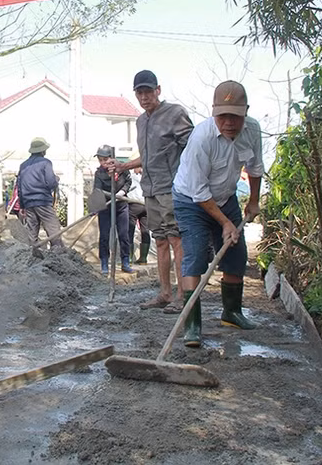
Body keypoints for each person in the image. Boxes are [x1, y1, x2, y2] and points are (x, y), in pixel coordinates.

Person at [172, 80, 263, 347]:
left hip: (226, 197)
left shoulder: (252, 130)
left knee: (237, 254)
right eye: (223, 116)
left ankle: (232, 312)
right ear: (214, 112)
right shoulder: (202, 138)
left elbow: (255, 167)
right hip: (191, 200)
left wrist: (254, 201)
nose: (229, 122)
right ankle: (192, 325)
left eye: (235, 116)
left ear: (245, 112)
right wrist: (225, 223)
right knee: (196, 254)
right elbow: (199, 192)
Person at [111, 70, 193, 310]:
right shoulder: (141, 121)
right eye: (140, 92)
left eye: (148, 91)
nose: (144, 97)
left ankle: (182, 295)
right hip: (151, 189)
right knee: (159, 241)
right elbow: (148, 157)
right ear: (135, 94)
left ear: (158, 89)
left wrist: (187, 182)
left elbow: (191, 149)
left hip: (173, 188)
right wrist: (124, 165)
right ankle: (165, 293)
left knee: (176, 239)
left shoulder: (175, 113)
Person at [16, 137, 64, 257]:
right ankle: (58, 255)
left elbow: (20, 186)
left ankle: (33, 255)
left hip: (28, 202)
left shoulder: (23, 166)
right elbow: (51, 182)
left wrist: (22, 205)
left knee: (32, 231)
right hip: (42, 201)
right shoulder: (45, 163)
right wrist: (56, 180)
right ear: (43, 151)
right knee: (53, 228)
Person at [93, 145, 133, 274]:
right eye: (100, 160)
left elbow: (128, 182)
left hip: (121, 206)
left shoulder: (122, 169)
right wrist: (101, 201)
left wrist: (122, 192)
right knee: (104, 235)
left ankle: (125, 261)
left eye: (105, 159)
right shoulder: (99, 173)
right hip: (106, 207)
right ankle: (104, 263)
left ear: (112, 158)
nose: (103, 162)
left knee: (123, 234)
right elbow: (97, 190)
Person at [126, 157, 150, 265]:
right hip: (146, 204)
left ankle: (129, 258)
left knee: (130, 229)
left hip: (134, 204)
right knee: (145, 230)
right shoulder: (148, 175)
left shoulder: (131, 176)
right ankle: (143, 258)